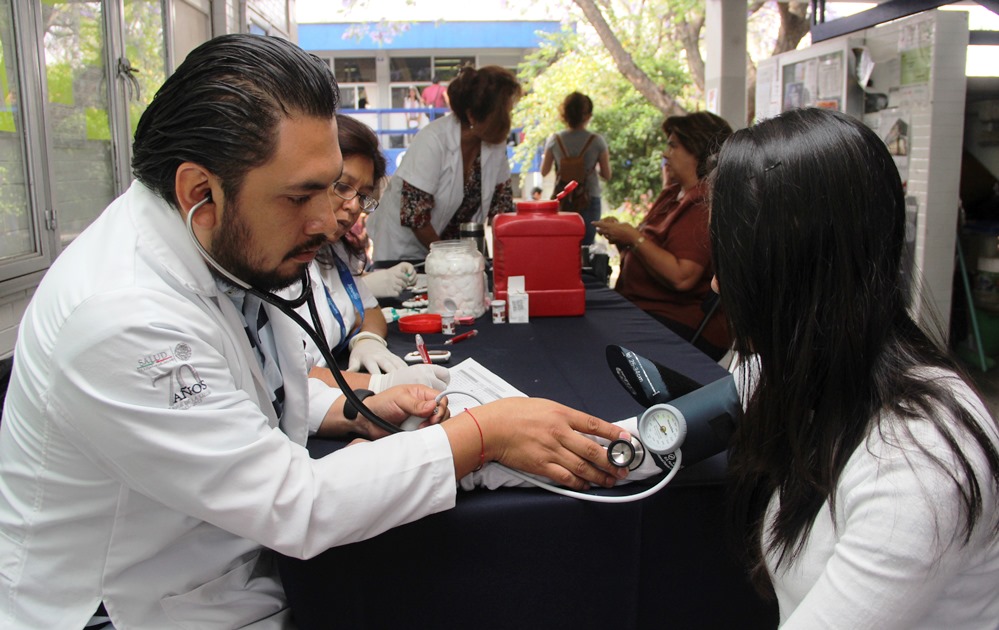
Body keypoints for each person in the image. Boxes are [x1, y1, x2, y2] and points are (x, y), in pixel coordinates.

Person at [0, 34, 631, 628]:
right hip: (142, 611)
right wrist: (484, 433)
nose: (331, 222)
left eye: (332, 189)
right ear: (200, 191)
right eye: (301, 197)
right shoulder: (122, 316)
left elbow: (246, 388)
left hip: (235, 566)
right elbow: (294, 504)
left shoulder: (221, 246)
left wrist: (354, 408)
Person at [712, 108, 999, 627]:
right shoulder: (795, 372)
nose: (717, 285)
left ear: (791, 269)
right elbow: (692, 417)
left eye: (732, 264)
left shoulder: (917, 463)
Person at [288, 114, 445, 402]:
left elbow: (369, 310)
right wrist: (378, 384)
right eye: (342, 186)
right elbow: (288, 377)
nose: (353, 207)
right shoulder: (276, 264)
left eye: (363, 196)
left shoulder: (332, 249)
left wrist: (367, 340)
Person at [593, 111, 732, 360]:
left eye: (673, 146)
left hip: (676, 319)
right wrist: (625, 240)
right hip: (643, 308)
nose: (665, 154)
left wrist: (633, 238)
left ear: (696, 150)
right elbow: (649, 251)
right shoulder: (673, 194)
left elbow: (682, 277)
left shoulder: (703, 203)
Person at [368, 65, 520, 264]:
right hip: (404, 252)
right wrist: (453, 260)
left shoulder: (494, 144)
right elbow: (415, 216)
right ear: (473, 115)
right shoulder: (433, 140)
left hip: (454, 256)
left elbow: (501, 209)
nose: (508, 121)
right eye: (503, 113)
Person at [541, 91, 612, 246]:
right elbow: (607, 174)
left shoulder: (554, 140)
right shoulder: (597, 141)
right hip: (589, 198)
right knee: (586, 246)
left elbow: (544, 171)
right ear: (588, 115)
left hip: (563, 199)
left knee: (563, 245)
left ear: (564, 114)